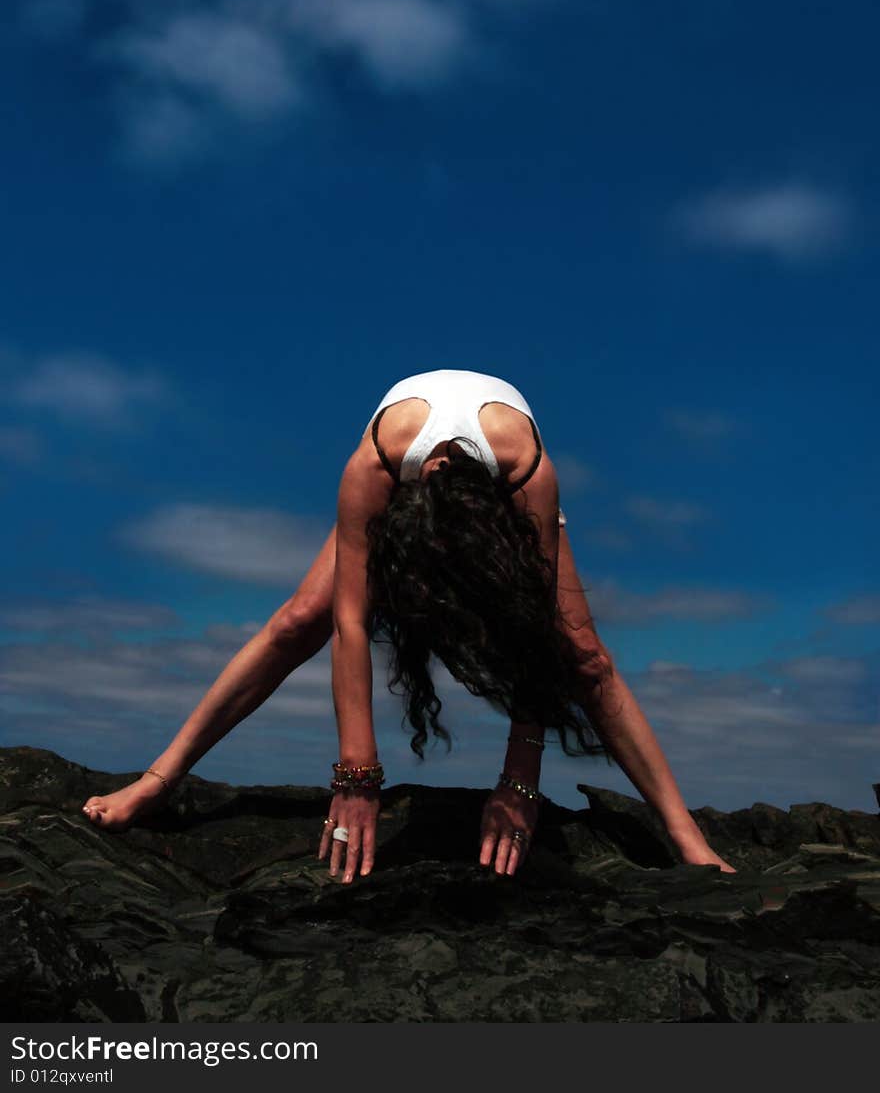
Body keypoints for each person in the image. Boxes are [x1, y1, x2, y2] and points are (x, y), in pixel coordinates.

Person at [83, 368, 734, 880]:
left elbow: (533, 631)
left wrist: (518, 785)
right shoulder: (373, 467)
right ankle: (159, 778)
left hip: (499, 483)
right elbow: (350, 622)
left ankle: (684, 834)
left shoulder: (531, 475)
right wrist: (358, 776)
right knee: (301, 616)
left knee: (584, 652)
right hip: (404, 467)